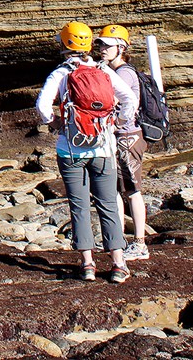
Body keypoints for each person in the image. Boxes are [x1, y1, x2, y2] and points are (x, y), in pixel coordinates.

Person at [36, 21, 138, 284]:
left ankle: (88, 265)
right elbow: (129, 99)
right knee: (108, 205)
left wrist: (54, 123)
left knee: (79, 206)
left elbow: (42, 106)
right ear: (89, 45)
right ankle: (117, 264)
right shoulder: (103, 70)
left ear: (63, 44)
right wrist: (120, 123)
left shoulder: (60, 73)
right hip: (103, 148)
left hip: (70, 149)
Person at [97, 24, 150, 262]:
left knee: (132, 190)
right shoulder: (113, 71)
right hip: (117, 137)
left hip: (128, 137)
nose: (102, 49)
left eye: (107, 45)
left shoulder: (124, 74)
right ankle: (118, 241)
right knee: (118, 190)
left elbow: (125, 106)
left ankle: (139, 243)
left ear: (121, 47)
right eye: (101, 44)